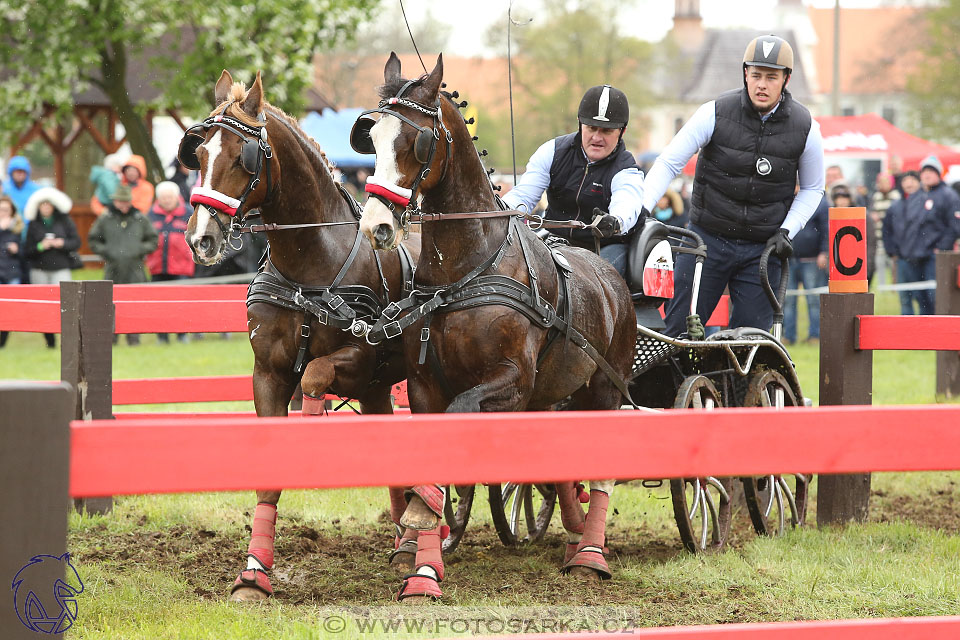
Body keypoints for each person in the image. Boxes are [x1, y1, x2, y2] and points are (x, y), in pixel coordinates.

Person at [641, 35, 825, 337]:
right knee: (676, 332)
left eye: (771, 77)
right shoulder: (713, 112)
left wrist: (787, 231)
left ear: (786, 79)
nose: (762, 84)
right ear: (745, 74)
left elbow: (813, 188)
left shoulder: (807, 128)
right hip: (705, 240)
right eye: (756, 75)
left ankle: (740, 385)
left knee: (751, 342)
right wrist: (643, 207)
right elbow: (668, 162)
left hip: (763, 248)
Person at [500, 84, 645, 277]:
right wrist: (500, 212)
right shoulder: (552, 152)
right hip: (553, 240)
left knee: (596, 277)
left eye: (606, 131)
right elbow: (523, 197)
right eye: (591, 128)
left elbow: (627, 203)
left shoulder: (626, 170)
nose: (597, 137)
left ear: (622, 131)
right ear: (580, 124)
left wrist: (615, 221)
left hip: (605, 247)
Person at [882, 158, 960, 315]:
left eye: (931, 172)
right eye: (924, 172)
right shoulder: (918, 196)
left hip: (935, 255)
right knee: (920, 296)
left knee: (935, 295)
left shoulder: (948, 195)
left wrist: (941, 248)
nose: (927, 175)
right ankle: (925, 331)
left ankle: (939, 329)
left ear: (938, 174)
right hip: (916, 255)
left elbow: (954, 226)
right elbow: (909, 226)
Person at [88, 183, 159, 345]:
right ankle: (111, 338)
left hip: (135, 268)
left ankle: (134, 338)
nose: (123, 205)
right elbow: (93, 240)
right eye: (120, 201)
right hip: (113, 268)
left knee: (133, 305)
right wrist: (107, 251)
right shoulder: (105, 219)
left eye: (126, 202)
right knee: (109, 304)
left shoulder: (140, 218)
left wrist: (140, 249)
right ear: (115, 202)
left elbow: (153, 240)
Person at [23, 187, 81, 348]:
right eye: (43, 205)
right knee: (44, 306)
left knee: (66, 303)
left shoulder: (64, 221)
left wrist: (62, 243)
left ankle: (67, 338)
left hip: (61, 267)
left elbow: (76, 242)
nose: (46, 208)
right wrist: (41, 246)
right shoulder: (33, 225)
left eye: (49, 204)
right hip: (39, 269)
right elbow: (27, 250)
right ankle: (50, 340)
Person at [146, 181, 195, 343]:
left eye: (169, 197)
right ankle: (162, 336)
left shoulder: (189, 213)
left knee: (180, 303)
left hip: (181, 268)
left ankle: (182, 334)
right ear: (158, 198)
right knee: (159, 304)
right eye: (163, 197)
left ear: (176, 197)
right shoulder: (150, 215)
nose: (167, 200)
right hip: (157, 267)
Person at [783, 186, 828, 345]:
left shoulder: (820, 203)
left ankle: (815, 335)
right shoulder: (786, 200)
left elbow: (825, 229)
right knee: (787, 300)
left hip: (812, 259)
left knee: (813, 300)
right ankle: (788, 336)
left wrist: (824, 252)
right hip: (789, 259)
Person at [0, 195, 24, 348]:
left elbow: (27, 251)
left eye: (6, 210)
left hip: (12, 272)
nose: (3, 212)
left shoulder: (18, 228)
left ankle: (3, 342)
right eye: (0, 210)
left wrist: (17, 250)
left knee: (8, 310)